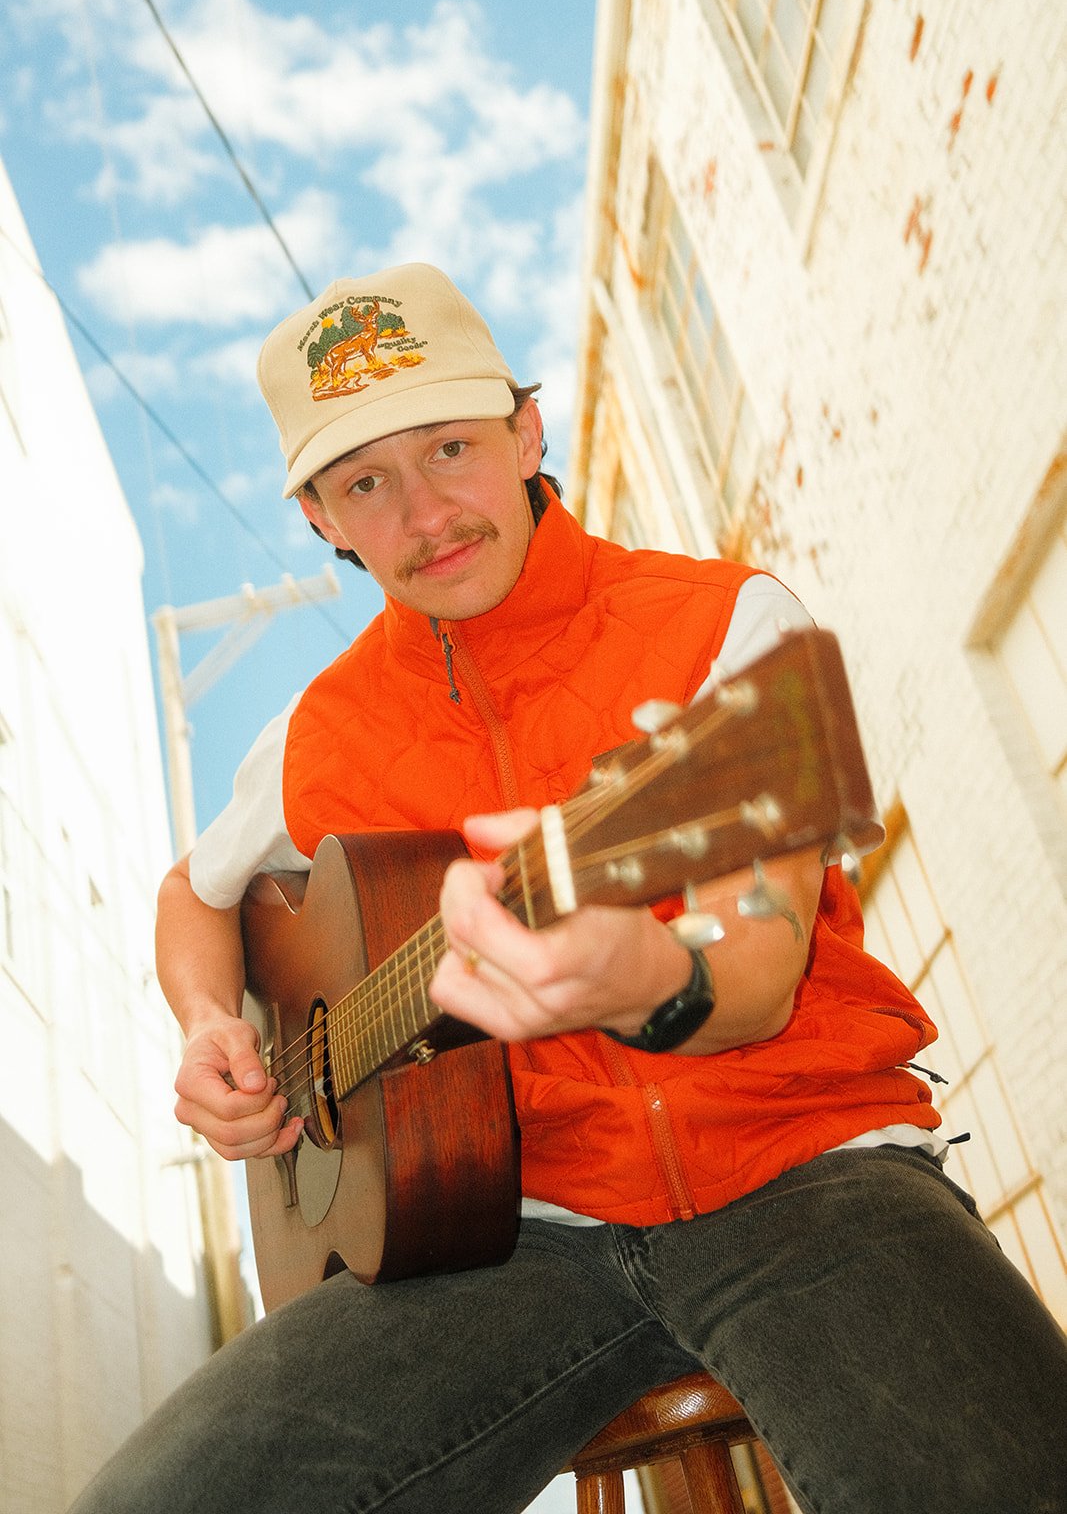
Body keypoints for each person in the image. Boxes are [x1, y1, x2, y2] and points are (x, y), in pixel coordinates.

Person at [72, 263, 1067, 1514]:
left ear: (525, 429)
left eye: (449, 446)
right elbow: (191, 891)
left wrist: (652, 981)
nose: (425, 512)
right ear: (321, 517)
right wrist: (211, 1024)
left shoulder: (723, 625)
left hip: (804, 1169)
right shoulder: (315, 736)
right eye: (364, 482)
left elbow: (752, 977)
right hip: (501, 1233)